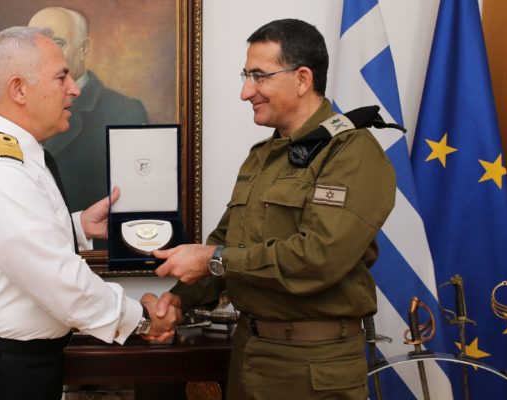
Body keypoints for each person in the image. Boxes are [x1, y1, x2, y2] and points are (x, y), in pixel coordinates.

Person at [153, 19, 396, 399]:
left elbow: (320, 258)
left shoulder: (351, 153)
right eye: (246, 76)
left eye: (258, 76)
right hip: (249, 353)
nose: (245, 92)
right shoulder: (263, 156)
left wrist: (214, 259)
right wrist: (179, 299)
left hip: (312, 365)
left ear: (302, 79)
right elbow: (226, 242)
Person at [0, 26, 179, 400]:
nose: (75, 88)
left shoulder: (15, 156)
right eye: (61, 77)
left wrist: (77, 226)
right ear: (19, 89)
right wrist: (142, 320)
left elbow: (18, 241)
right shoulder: (1, 169)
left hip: (11, 366)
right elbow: (58, 280)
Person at [28, 7, 149, 219]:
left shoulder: (124, 113)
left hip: (87, 239)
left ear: (83, 49)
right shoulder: (20, 105)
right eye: (34, 45)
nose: (43, 55)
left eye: (58, 43)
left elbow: (135, 205)